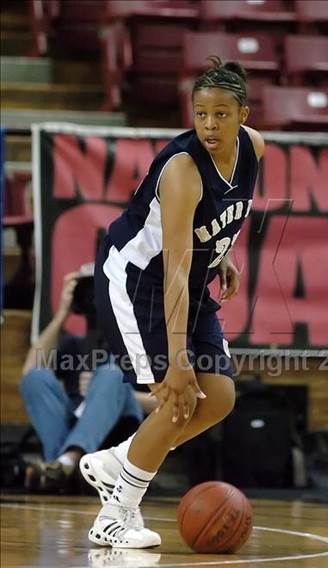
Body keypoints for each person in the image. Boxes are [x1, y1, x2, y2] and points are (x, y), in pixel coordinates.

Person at [81, 56, 265, 548]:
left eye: (221, 114)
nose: (209, 124)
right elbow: (176, 270)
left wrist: (222, 254)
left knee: (220, 397)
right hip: (138, 281)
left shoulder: (254, 149)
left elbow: (225, 215)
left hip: (187, 273)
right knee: (178, 395)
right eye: (200, 113)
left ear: (243, 114)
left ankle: (120, 459)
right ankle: (115, 514)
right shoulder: (183, 169)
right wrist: (178, 359)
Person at [20, 267, 153, 492]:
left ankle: (66, 462)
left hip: (118, 430)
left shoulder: (140, 343)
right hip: (74, 423)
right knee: (36, 377)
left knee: (112, 375)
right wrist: (62, 314)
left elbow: (168, 402)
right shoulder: (75, 344)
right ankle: (63, 467)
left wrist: (114, 393)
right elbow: (29, 372)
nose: (96, 298)